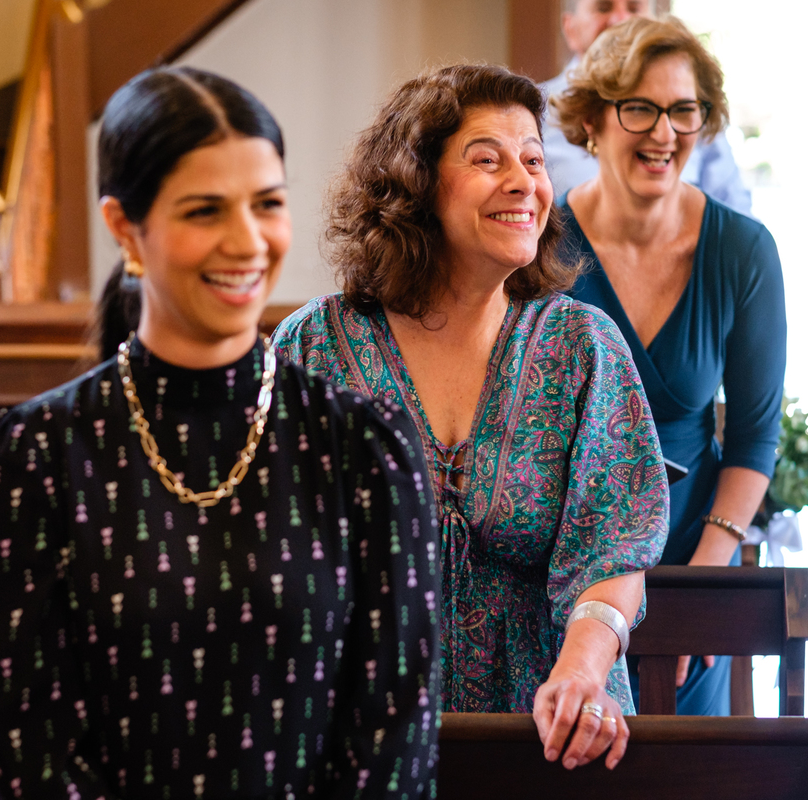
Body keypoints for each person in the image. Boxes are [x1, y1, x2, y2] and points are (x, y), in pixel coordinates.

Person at [0, 66, 441, 799]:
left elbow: (393, 730)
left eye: (267, 204)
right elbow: (34, 739)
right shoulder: (38, 453)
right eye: (205, 211)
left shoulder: (364, 447)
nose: (247, 242)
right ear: (126, 227)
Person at [274, 64, 668, 771]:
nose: (523, 181)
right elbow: (280, 552)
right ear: (416, 183)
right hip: (366, 738)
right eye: (487, 160)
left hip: (555, 736)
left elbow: (613, 546)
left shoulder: (582, 346)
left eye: (534, 160)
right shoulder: (314, 347)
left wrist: (581, 672)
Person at [551, 15, 787, 715]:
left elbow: (753, 440)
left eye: (683, 110)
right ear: (593, 118)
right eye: (640, 108)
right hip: (561, 578)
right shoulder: (541, 250)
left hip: (692, 558)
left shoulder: (743, 252)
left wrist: (698, 593)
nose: (664, 132)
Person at [541, 0, 752, 215]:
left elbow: (735, 213)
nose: (621, 19)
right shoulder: (532, 112)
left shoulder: (696, 105)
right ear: (570, 28)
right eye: (603, 8)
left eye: (634, 8)